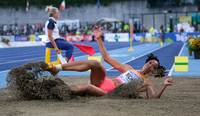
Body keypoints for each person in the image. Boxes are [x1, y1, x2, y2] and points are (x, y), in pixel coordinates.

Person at [44, 26, 173, 99]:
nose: (150, 65)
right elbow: (106, 58)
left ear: (154, 71)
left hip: (109, 92)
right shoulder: (128, 68)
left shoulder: (147, 82)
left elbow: (152, 98)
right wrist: (99, 39)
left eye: (153, 67)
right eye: (150, 62)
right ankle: (57, 67)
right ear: (146, 62)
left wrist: (163, 86)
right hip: (104, 82)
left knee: (86, 88)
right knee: (97, 63)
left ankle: (54, 94)